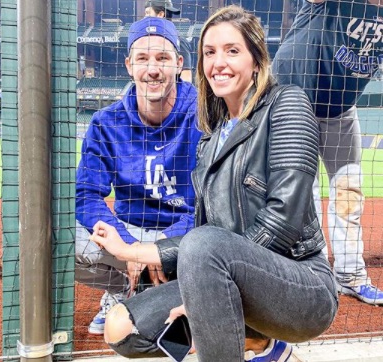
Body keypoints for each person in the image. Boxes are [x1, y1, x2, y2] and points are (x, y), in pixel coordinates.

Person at [89, 5, 338, 362]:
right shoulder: (210, 139)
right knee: (121, 327)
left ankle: (231, 342)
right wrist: (131, 252)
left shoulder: (287, 104)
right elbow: (201, 233)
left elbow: (283, 220)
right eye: (209, 52)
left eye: (232, 50)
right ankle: (262, 347)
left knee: (205, 247)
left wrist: (201, 295)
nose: (218, 62)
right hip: (223, 272)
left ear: (256, 60)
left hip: (300, 285)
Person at [272, 0, 383, 306]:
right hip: (296, 100)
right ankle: (310, 275)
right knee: (304, 194)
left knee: (349, 191)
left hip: (340, 107)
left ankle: (350, 275)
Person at [75, 16, 201, 335]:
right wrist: (130, 248)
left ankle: (164, 291)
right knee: (59, 240)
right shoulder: (106, 122)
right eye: (143, 59)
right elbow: (87, 196)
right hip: (128, 232)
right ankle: (124, 289)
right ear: (129, 65)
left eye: (162, 58)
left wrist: (159, 248)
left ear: (179, 63)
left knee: (217, 235)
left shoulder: (203, 114)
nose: (153, 69)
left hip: (184, 234)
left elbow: (211, 198)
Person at [145, 0, 194, 82]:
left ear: (160, 14)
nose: (145, 17)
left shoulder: (178, 40)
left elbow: (186, 78)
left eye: (148, 13)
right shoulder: (152, 38)